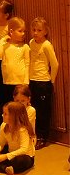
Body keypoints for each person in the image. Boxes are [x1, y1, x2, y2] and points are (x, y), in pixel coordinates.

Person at [28, 17, 59, 149]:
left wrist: (52, 81)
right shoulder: (31, 43)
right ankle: (33, 135)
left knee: (43, 111)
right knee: (33, 109)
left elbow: (54, 64)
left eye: (39, 30)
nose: (36, 33)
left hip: (43, 81)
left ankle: (43, 136)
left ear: (45, 31)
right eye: (34, 30)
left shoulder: (46, 45)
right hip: (32, 80)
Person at [0, 102, 35, 175]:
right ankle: (4, 168)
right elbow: (0, 142)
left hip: (24, 156)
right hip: (10, 153)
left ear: (14, 116)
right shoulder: (4, 125)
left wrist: (5, 156)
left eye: (5, 114)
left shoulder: (23, 129)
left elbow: (23, 149)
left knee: (20, 161)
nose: (2, 115)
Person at [0, 17, 30, 104]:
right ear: (11, 31)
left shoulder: (25, 47)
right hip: (7, 82)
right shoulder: (5, 46)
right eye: (20, 31)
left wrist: (26, 82)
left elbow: (27, 64)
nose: (23, 34)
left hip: (20, 82)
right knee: (9, 105)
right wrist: (3, 40)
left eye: (24, 31)